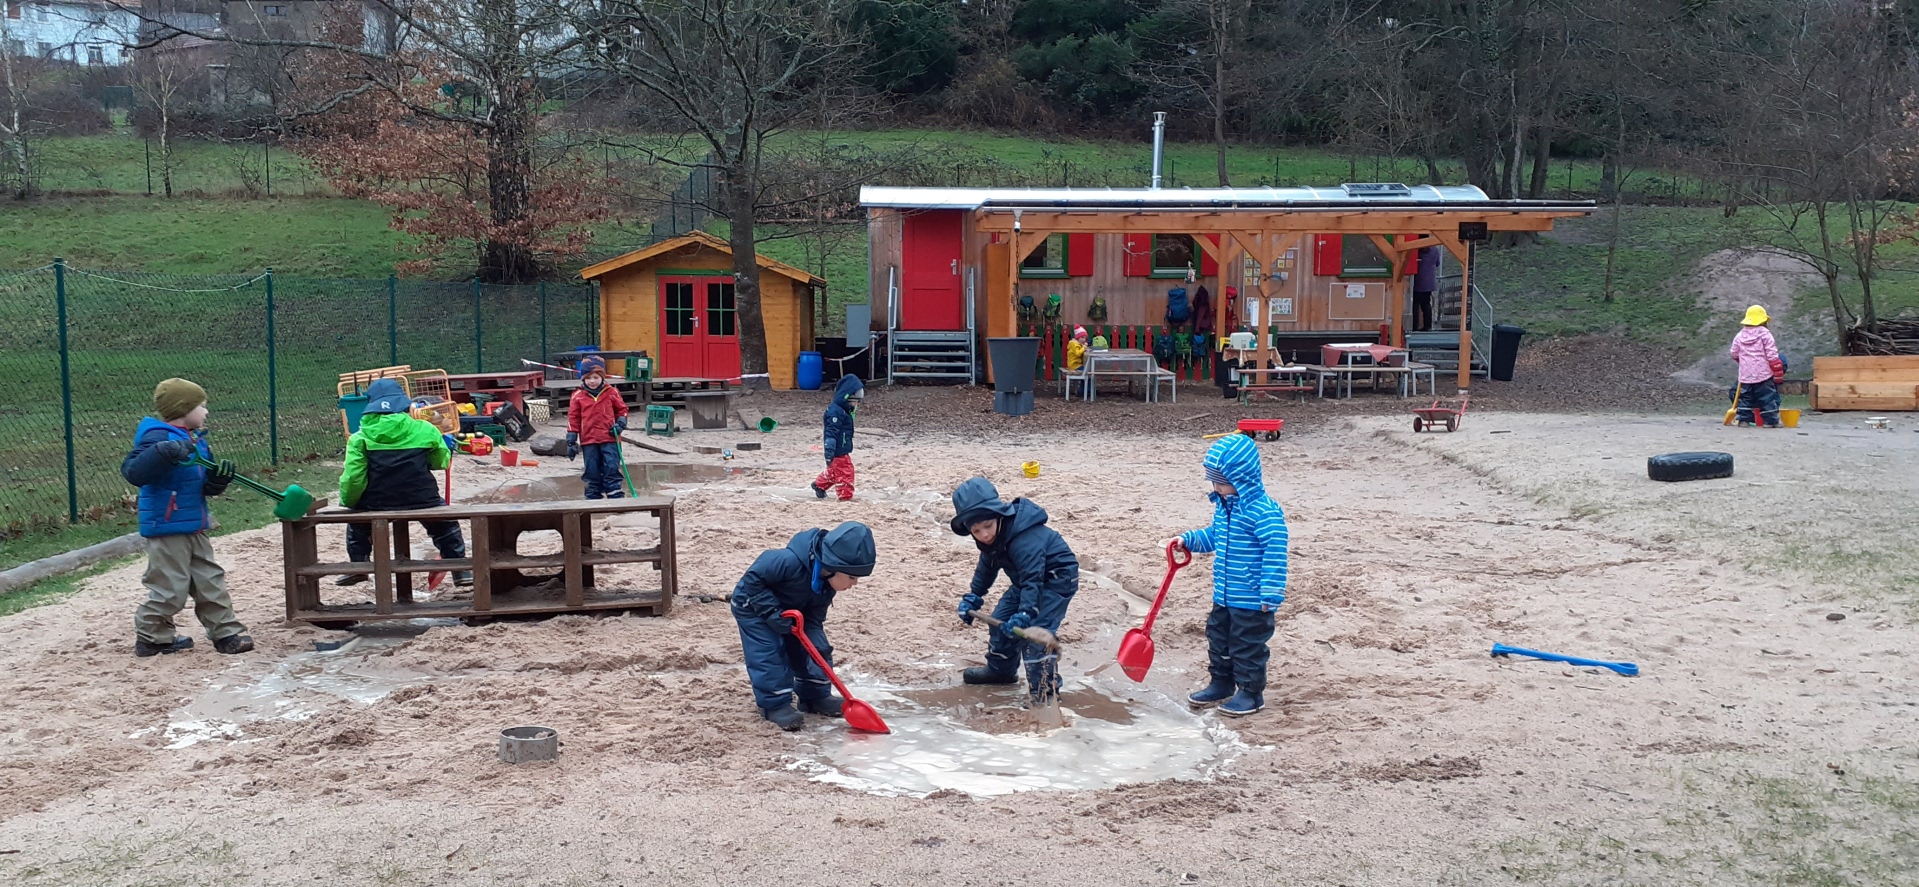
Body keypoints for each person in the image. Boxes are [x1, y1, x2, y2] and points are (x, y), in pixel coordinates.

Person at [120, 378, 253, 657]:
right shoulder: (157, 437)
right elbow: (134, 472)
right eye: (202, 406)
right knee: (170, 588)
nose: (206, 412)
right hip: (166, 527)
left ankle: (226, 633)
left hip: (194, 524)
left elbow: (199, 483)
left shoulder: (196, 441)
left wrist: (216, 482)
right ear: (184, 409)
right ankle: (152, 637)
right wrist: (163, 452)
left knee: (210, 581)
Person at [1166, 434, 1289, 717]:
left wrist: (1271, 592)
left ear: (1243, 478)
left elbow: (1275, 551)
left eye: (1222, 482)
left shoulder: (1263, 512)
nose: (1217, 488)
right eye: (1214, 481)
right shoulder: (1225, 508)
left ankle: (1250, 693)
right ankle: (1221, 683)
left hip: (1252, 598)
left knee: (1247, 646)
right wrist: (1189, 540)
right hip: (1223, 593)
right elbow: (1215, 536)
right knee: (1218, 639)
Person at [729, 522, 878, 731]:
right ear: (832, 567)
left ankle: (814, 696)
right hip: (753, 607)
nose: (854, 584)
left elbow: (814, 616)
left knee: (816, 648)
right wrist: (772, 612)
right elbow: (753, 580)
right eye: (852, 577)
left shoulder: (827, 585)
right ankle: (774, 705)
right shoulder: (788, 561)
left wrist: (814, 641)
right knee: (769, 652)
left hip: (793, 610)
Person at [951, 477, 1079, 706]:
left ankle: (1045, 694)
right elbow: (987, 567)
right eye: (976, 531)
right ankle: (1001, 672)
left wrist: (1026, 613)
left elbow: (1033, 579)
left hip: (1056, 579)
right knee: (999, 621)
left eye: (987, 526)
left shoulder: (1025, 538)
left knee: (1034, 635)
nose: (984, 535)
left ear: (999, 515)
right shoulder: (991, 538)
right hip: (1024, 581)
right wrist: (974, 595)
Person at [337, 378, 470, 587]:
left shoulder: (359, 438)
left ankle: (359, 565)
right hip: (422, 499)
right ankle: (459, 567)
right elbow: (440, 462)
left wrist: (349, 501)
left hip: (376, 502)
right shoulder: (425, 429)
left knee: (358, 526)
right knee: (445, 526)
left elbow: (354, 477)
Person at [566, 356, 630, 498]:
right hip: (589, 439)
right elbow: (573, 418)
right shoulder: (578, 395)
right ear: (583, 379)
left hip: (610, 438)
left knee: (611, 466)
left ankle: (615, 495)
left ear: (602, 377)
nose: (592, 381)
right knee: (591, 469)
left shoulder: (612, 392)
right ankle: (593, 496)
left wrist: (620, 423)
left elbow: (622, 410)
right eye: (588, 378)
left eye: (596, 377)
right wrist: (571, 440)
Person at [1730, 304, 1786, 427]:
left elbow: (1734, 352)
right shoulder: (1765, 334)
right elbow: (1771, 353)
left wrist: (1742, 361)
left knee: (1745, 397)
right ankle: (1770, 421)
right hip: (1763, 374)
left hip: (1746, 374)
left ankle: (1743, 420)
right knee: (1767, 397)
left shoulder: (1740, 335)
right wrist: (1776, 367)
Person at [812, 375, 863, 501]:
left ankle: (819, 485)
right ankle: (845, 497)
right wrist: (829, 450)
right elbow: (831, 433)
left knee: (835, 470)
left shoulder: (844, 411)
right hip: (837, 449)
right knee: (845, 472)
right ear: (847, 397)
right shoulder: (835, 412)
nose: (856, 405)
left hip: (841, 448)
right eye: (855, 401)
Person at [1413, 246, 1440, 332]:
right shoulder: (1435, 250)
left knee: (1415, 304)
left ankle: (1414, 326)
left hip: (1417, 280)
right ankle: (1427, 326)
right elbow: (1437, 263)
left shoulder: (1416, 250)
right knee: (1426, 304)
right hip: (1429, 282)